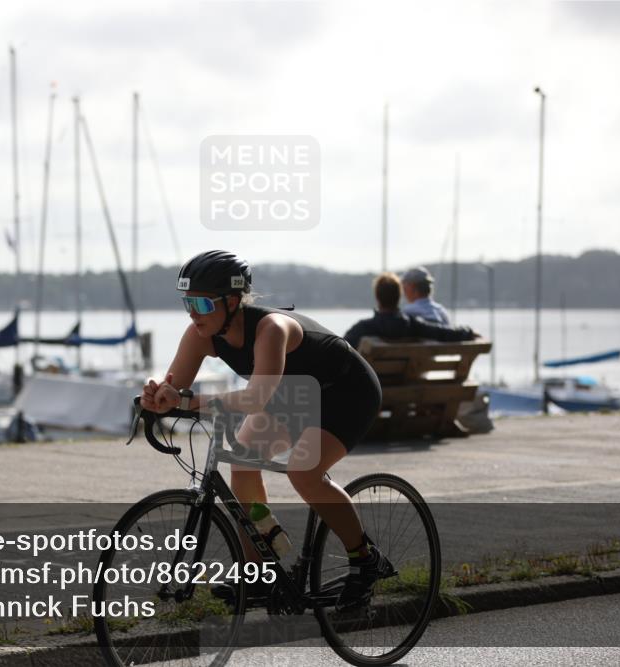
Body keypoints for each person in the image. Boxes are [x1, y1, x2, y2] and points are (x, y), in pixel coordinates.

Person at [141, 250, 390, 611]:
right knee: (242, 462)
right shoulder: (200, 333)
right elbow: (175, 390)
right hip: (293, 396)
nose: (193, 313)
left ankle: (365, 559)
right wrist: (157, 397)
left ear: (231, 302)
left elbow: (256, 397)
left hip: (346, 391)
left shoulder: (270, 329)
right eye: (187, 303)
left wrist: (190, 402)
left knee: (304, 471)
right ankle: (259, 572)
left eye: (202, 304)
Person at [344, 272, 478, 350]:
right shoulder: (412, 325)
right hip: (407, 388)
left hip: (375, 391)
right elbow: (444, 333)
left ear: (377, 298)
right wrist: (468, 332)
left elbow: (339, 349)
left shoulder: (363, 328)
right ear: (399, 297)